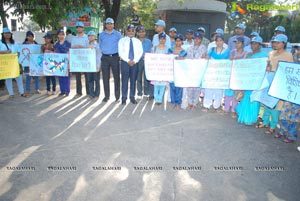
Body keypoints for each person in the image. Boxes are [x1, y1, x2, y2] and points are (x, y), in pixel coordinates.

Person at [260, 34, 294, 135]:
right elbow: (268, 66)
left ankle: (273, 126)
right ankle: (265, 122)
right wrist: (268, 68)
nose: (275, 44)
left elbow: (289, 70)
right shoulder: (270, 53)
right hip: (269, 79)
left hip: (279, 81)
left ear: (283, 44)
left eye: (277, 42)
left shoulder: (288, 55)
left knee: (276, 104)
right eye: (274, 42)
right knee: (266, 101)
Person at [236, 36, 268, 125]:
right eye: (252, 43)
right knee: (246, 97)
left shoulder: (264, 56)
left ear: (260, 45)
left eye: (256, 44)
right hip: (248, 81)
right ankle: (243, 116)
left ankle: (250, 118)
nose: (253, 45)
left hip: (257, 82)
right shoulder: (248, 54)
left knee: (254, 98)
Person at [203, 34, 230, 112]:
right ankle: (206, 105)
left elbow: (229, 62)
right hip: (211, 73)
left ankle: (217, 106)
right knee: (209, 89)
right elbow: (207, 59)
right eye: (217, 40)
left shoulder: (227, 51)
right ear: (215, 42)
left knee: (219, 90)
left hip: (221, 75)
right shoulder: (211, 50)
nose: (219, 42)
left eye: (220, 40)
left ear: (223, 41)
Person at [118, 25, 143, 105]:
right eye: (129, 30)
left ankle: (132, 97)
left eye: (132, 30)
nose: (131, 32)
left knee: (133, 81)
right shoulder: (122, 41)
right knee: (124, 81)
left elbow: (140, 52)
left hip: (135, 63)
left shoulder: (138, 41)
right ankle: (124, 98)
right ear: (126, 31)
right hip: (125, 63)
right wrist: (128, 60)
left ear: (135, 32)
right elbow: (120, 52)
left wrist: (134, 61)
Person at [99, 17, 122, 102]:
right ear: (105, 25)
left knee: (116, 77)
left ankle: (117, 96)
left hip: (115, 57)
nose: (109, 25)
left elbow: (121, 45)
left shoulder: (118, 34)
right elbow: (100, 45)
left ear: (113, 25)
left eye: (111, 23)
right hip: (105, 58)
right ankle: (106, 96)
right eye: (108, 23)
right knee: (105, 77)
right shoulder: (101, 35)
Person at [0, 27, 27, 98]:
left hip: (15, 63)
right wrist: (4, 52)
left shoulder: (14, 42)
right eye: (6, 33)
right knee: (8, 78)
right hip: (6, 63)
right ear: (3, 34)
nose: (7, 35)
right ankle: (11, 94)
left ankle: (22, 92)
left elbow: (18, 51)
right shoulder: (0, 43)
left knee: (19, 77)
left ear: (11, 34)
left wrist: (17, 55)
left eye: (9, 33)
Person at [225, 36, 247, 118]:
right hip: (231, 74)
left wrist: (238, 59)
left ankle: (234, 110)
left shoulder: (245, 53)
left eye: (238, 43)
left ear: (242, 44)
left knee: (236, 94)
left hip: (240, 75)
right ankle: (226, 108)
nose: (237, 44)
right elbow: (229, 61)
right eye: (236, 43)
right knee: (228, 92)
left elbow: (245, 64)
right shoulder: (232, 52)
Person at [186, 32, 207, 109]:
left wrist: (204, 57)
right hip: (190, 70)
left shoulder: (204, 48)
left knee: (197, 87)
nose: (196, 40)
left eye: (198, 39)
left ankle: (195, 103)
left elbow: (204, 58)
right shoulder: (189, 48)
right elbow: (186, 59)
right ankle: (189, 102)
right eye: (195, 38)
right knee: (190, 87)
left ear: (201, 40)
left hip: (199, 71)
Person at [168, 34, 187, 110]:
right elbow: (168, 59)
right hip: (172, 70)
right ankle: (173, 102)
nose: (178, 42)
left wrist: (179, 58)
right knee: (172, 87)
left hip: (180, 72)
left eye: (180, 40)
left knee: (179, 87)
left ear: (182, 41)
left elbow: (184, 61)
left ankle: (178, 103)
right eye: (177, 40)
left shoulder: (184, 51)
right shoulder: (170, 50)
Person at [71, 21, 90, 98]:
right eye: (78, 27)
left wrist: (82, 47)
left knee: (87, 76)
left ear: (83, 28)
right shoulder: (74, 38)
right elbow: (72, 47)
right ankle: (79, 92)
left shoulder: (87, 37)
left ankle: (88, 91)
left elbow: (89, 47)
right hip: (77, 59)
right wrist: (75, 47)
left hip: (85, 59)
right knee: (78, 77)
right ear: (76, 29)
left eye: (80, 27)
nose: (79, 29)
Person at [152, 33, 169, 106]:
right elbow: (151, 58)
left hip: (164, 70)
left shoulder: (168, 48)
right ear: (158, 39)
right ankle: (156, 99)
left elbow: (170, 58)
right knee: (156, 86)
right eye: (161, 38)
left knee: (163, 85)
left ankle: (160, 99)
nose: (162, 40)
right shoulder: (154, 48)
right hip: (156, 70)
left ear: (165, 39)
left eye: (163, 39)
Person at [136, 27, 153, 100]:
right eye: (140, 32)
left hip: (147, 61)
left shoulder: (149, 42)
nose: (141, 33)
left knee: (147, 77)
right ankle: (139, 93)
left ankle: (146, 92)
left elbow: (151, 51)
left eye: (143, 31)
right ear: (137, 33)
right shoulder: (135, 41)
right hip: (138, 61)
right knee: (138, 77)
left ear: (145, 33)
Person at [54, 29, 71, 96]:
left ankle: (67, 91)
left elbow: (70, 52)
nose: (61, 36)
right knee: (60, 77)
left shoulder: (68, 43)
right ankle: (62, 91)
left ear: (64, 35)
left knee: (66, 77)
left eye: (62, 34)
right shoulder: (56, 44)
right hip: (58, 63)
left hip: (66, 62)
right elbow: (55, 53)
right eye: (59, 34)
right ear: (58, 35)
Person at [23, 31, 40, 96]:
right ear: (26, 37)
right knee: (28, 76)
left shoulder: (36, 43)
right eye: (29, 36)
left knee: (36, 76)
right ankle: (27, 90)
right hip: (27, 63)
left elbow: (38, 51)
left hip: (35, 63)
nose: (30, 37)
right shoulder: (24, 44)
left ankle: (37, 88)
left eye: (32, 36)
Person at [87, 31, 101, 100]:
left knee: (96, 80)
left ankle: (97, 95)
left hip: (96, 66)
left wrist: (98, 66)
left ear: (95, 37)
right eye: (89, 36)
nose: (91, 37)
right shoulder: (86, 45)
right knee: (90, 80)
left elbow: (99, 56)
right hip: (88, 66)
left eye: (92, 36)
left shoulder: (98, 45)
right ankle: (91, 94)